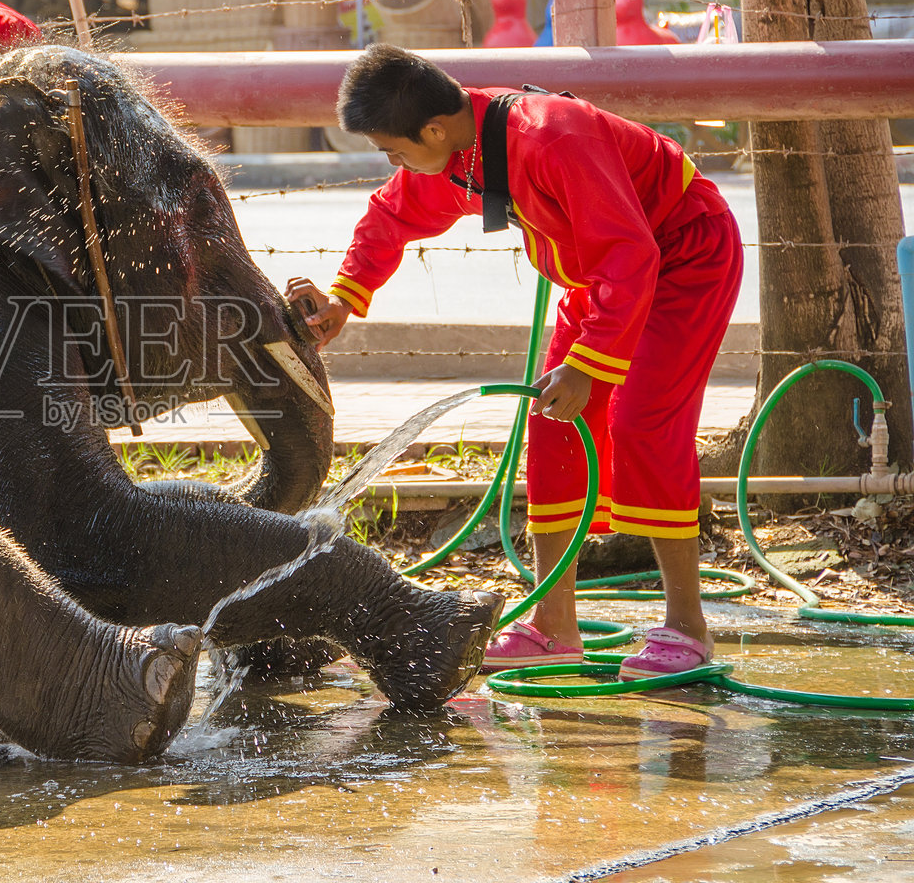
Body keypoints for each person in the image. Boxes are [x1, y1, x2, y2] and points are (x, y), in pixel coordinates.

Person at [289, 44, 742, 679]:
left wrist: (588, 365)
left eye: (393, 150)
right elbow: (392, 214)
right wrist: (344, 297)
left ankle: (686, 628)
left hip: (680, 257)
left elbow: (630, 255)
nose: (392, 164)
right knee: (552, 425)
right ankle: (554, 626)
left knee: (642, 423)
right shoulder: (463, 148)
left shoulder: (554, 140)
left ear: (434, 130)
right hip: (602, 281)